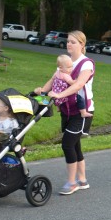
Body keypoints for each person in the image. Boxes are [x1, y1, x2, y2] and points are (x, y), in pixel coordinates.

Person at [36, 30, 95, 195]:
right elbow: (53, 81)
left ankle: (72, 182)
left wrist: (58, 95)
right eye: (68, 41)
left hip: (82, 111)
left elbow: (77, 85)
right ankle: (82, 180)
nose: (69, 44)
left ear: (82, 45)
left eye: (73, 42)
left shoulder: (86, 64)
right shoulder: (64, 62)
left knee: (67, 144)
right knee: (75, 144)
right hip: (66, 110)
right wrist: (40, 92)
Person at [51, 54, 93, 119]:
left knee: (59, 101)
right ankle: (83, 113)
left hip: (56, 92)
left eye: (71, 66)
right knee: (80, 99)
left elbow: (53, 78)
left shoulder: (57, 72)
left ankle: (58, 108)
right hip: (64, 94)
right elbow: (71, 82)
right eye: (68, 67)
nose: (71, 69)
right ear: (61, 67)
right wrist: (78, 80)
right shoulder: (65, 75)